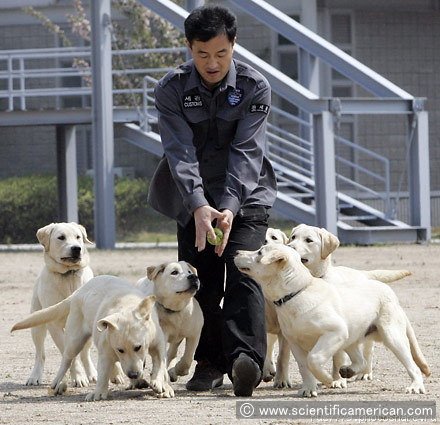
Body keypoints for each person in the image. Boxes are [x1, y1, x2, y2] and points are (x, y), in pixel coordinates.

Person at [148, 4, 277, 397]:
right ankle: (207, 363)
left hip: (246, 195)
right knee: (196, 281)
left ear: (234, 45)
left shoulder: (255, 87)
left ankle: (247, 362)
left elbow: (247, 151)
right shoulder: (170, 89)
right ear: (189, 47)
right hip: (191, 198)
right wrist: (199, 204)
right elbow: (179, 151)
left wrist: (230, 207)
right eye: (202, 54)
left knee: (245, 274)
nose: (212, 62)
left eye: (221, 53)